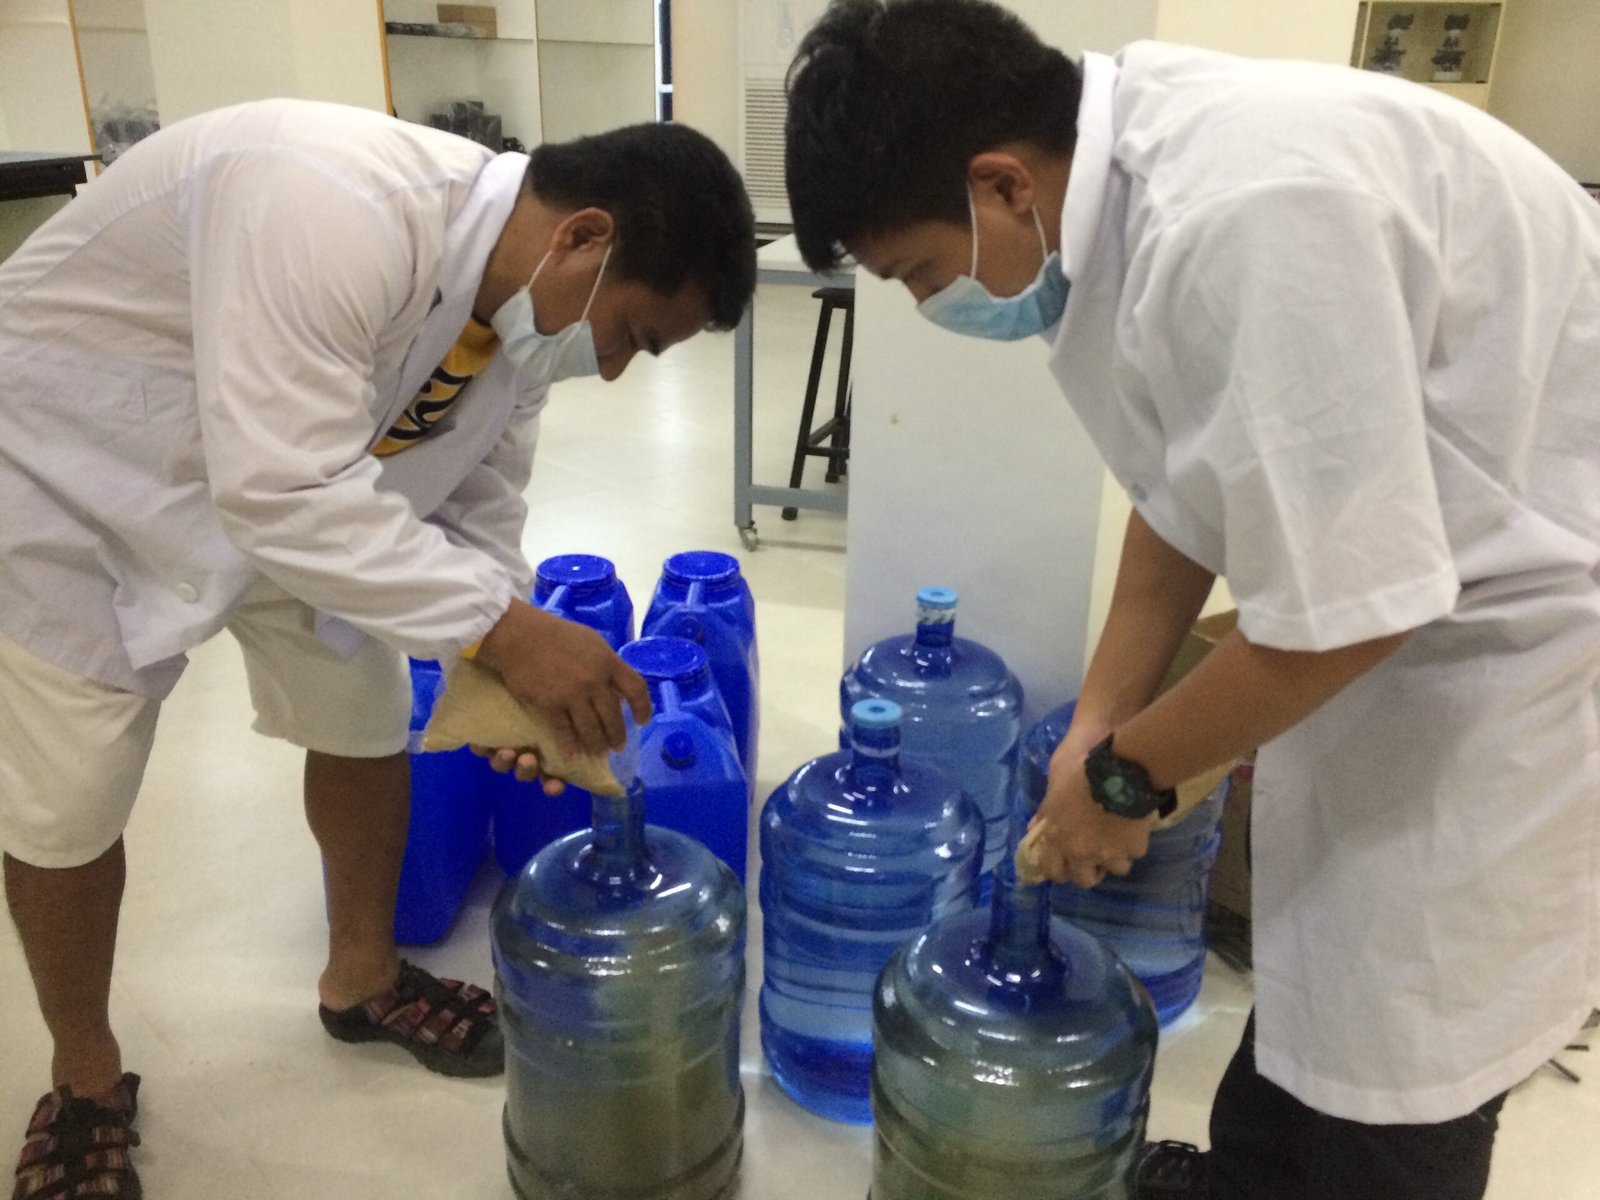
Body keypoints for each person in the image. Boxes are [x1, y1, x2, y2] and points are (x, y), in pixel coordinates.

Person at [783, 2, 1600, 1197]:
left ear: (1000, 184)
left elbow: (1358, 607)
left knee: (1405, 1030)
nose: (924, 304)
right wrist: (1099, 722)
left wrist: (1129, 778)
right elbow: (1182, 490)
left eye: (916, 270)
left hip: (1519, 638)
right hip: (1401, 600)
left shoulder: (1245, 219)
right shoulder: (1121, 177)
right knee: (1327, 954)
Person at [1, 98, 755, 1199]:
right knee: (69, 800)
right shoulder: (329, 200)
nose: (614, 370)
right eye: (632, 335)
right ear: (584, 237)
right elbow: (277, 487)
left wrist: (497, 672)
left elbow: (477, 510)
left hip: (298, 486)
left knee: (360, 717)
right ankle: (83, 1081)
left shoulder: (519, 326)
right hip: (78, 470)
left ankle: (361, 982)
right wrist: (509, 635)